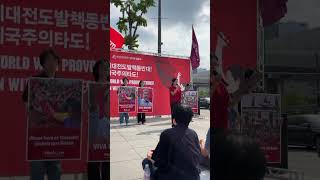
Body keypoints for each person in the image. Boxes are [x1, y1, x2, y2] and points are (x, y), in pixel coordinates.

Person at [22, 48, 61, 180]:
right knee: (37, 171)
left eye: (54, 60)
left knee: (55, 170)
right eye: (48, 60)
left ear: (58, 64)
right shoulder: (34, 81)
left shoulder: (63, 84)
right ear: (42, 64)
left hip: (57, 137)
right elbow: (27, 104)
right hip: (38, 136)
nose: (51, 63)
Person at [142, 105, 201, 180]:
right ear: (190, 119)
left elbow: (159, 161)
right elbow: (197, 155)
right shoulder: (193, 133)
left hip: (170, 176)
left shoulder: (166, 134)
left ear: (174, 120)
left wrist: (150, 157)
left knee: (146, 161)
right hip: (194, 177)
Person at [87, 60, 110, 180]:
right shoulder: (90, 87)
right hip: (94, 127)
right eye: (102, 67)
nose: (105, 69)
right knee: (93, 160)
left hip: (107, 126)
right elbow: (86, 107)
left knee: (107, 162)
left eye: (107, 67)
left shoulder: (111, 87)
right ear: (97, 70)